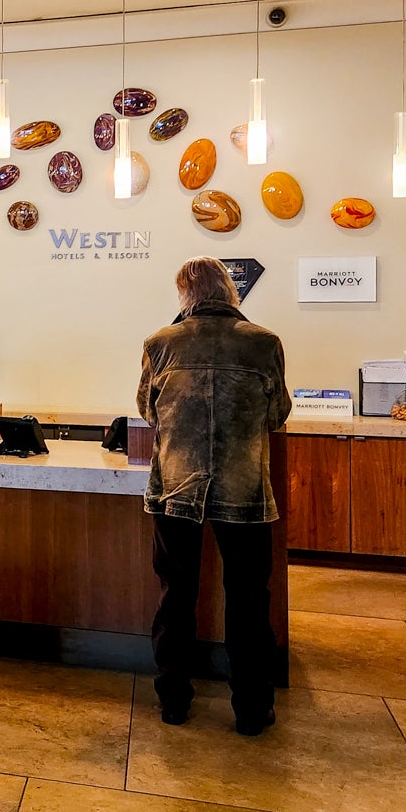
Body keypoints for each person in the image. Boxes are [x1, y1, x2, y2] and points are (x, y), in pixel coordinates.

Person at [137, 256, 291, 736]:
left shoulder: (160, 344)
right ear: (230, 291)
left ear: (184, 294)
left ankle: (174, 702)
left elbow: (147, 411)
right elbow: (278, 414)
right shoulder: (264, 343)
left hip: (175, 489)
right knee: (248, 601)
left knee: (175, 597)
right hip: (244, 492)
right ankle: (251, 709)